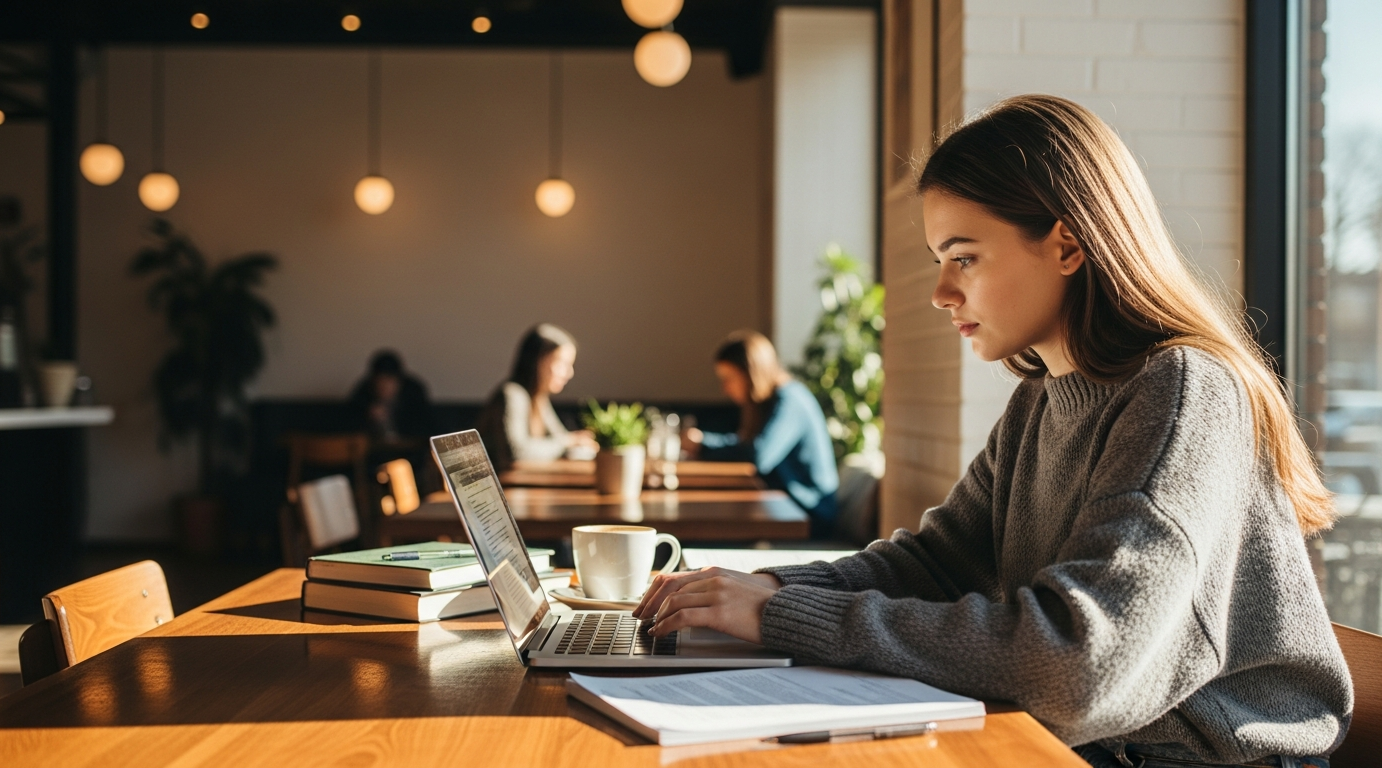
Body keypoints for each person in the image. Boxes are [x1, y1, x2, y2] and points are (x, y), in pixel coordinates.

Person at [636, 95, 1351, 767]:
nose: (944, 294)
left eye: (964, 258)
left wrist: (783, 616)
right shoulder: (1042, 399)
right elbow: (936, 566)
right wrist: (748, 591)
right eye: (940, 262)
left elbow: (1079, 665)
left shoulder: (1183, 389)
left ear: (1067, 244)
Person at [682, 331, 839, 536]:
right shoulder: (772, 401)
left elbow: (759, 455)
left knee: (709, 534)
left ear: (750, 374)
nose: (725, 389)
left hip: (810, 517)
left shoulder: (790, 400)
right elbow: (748, 444)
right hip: (786, 509)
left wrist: (703, 445)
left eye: (729, 378)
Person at [477, 323, 597, 468]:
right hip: (498, 486)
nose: (569, 373)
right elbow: (517, 453)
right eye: (562, 363)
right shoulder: (512, 394)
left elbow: (560, 438)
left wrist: (573, 441)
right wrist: (568, 442)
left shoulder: (539, 397)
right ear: (537, 361)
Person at [347, 349, 433, 443]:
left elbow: (423, 428)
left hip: (411, 451)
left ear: (399, 381)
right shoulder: (362, 396)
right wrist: (369, 419)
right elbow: (351, 430)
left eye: (389, 380)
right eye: (380, 380)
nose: (384, 385)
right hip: (374, 452)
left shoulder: (414, 394)